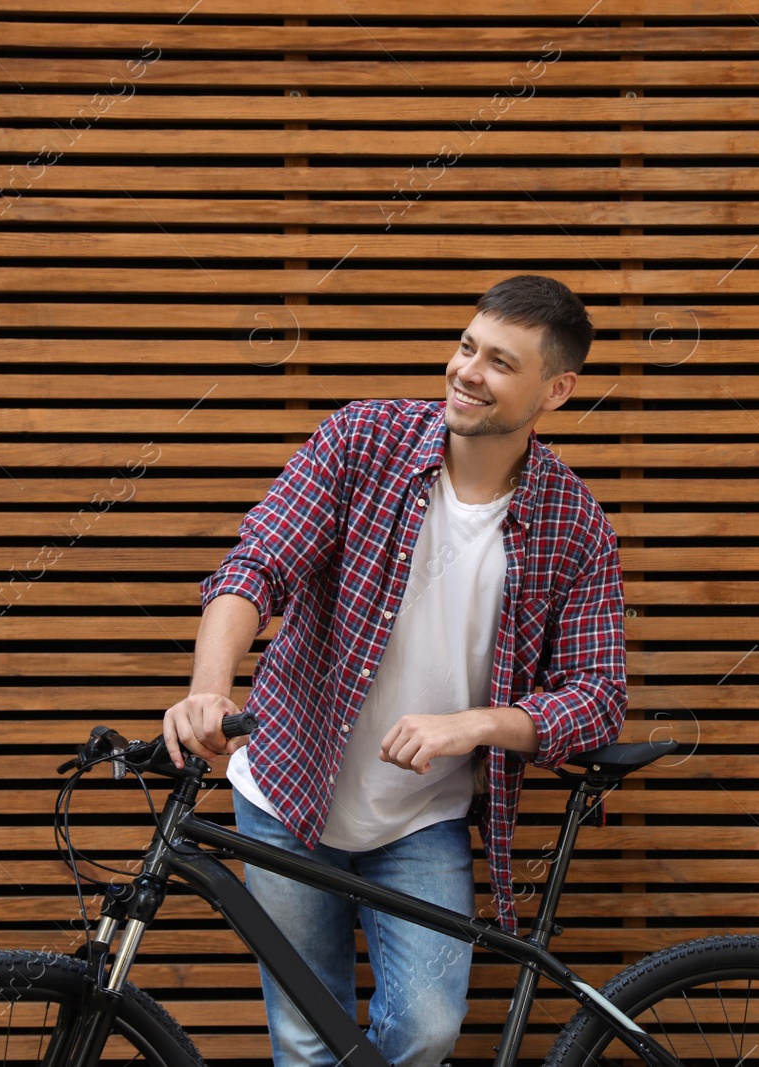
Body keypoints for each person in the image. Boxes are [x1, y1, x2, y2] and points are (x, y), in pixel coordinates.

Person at [161, 273, 628, 1067]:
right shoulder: (360, 442)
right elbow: (258, 565)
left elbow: (596, 697)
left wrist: (472, 726)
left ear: (558, 388)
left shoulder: (574, 522)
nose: (466, 371)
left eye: (499, 363)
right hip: (284, 793)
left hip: (424, 816)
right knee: (307, 1038)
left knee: (425, 1032)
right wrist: (210, 686)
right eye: (465, 346)